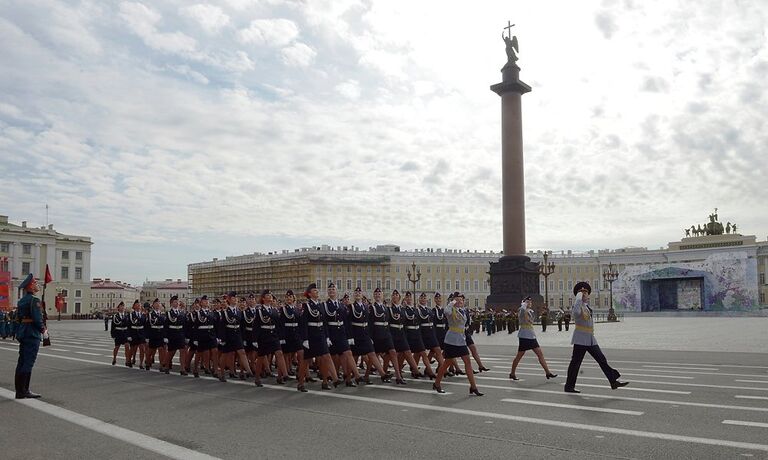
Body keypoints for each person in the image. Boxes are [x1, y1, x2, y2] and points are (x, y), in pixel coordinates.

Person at [564, 282, 628, 393]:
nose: (584, 294)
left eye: (586, 292)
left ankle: (613, 381)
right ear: (578, 295)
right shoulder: (577, 305)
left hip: (590, 338)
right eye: (581, 292)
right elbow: (575, 314)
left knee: (601, 359)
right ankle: (569, 386)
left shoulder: (586, 306)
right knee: (575, 363)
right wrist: (578, 299)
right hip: (580, 339)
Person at [432, 292, 483, 396]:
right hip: (451, 341)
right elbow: (446, 311)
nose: (460, 301)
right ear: (454, 301)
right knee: (446, 364)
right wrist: (452, 302)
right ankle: (437, 383)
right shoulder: (451, 310)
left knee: (467, 362)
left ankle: (473, 387)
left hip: (461, 340)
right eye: (457, 300)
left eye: (461, 300)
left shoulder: (463, 311)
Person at [298, 283, 339, 392]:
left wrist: (327, 337)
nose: (317, 292)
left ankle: (331, 380)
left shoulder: (320, 305)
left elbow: (324, 322)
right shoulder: (306, 306)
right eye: (315, 291)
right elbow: (304, 323)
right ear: (310, 294)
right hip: (311, 337)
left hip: (320, 334)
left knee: (326, 357)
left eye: (317, 290)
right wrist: (305, 339)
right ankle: (301, 383)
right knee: (305, 361)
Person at [509, 296, 557, 381]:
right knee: (519, 356)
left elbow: (531, 320)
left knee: (540, 354)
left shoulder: (531, 311)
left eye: (530, 302)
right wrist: (523, 306)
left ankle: (548, 372)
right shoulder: (521, 310)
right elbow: (522, 316)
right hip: (524, 336)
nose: (530, 303)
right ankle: (512, 373)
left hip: (531, 335)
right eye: (528, 302)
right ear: (524, 303)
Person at [347, 287, 389, 383]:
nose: (358, 293)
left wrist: (370, 336)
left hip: (365, 334)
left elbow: (369, 322)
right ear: (354, 295)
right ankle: (348, 379)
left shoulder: (366, 306)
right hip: (356, 334)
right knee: (354, 357)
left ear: (362, 295)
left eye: (359, 292)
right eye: (356, 292)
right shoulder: (351, 307)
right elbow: (348, 323)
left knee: (372, 353)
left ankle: (383, 374)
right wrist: (350, 337)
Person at [14, 273, 44, 399]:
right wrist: (43, 329)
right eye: (35, 283)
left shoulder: (22, 301)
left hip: (23, 332)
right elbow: (37, 319)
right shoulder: (34, 300)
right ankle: (24, 390)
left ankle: (19, 391)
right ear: (31, 286)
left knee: (21, 361)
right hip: (32, 333)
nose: (37, 285)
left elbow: (18, 318)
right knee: (28, 362)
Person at [324, 283, 361, 386]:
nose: (331, 290)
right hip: (331, 334)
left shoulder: (341, 305)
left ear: (337, 291)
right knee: (332, 358)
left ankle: (355, 377)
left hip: (341, 334)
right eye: (330, 289)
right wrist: (326, 337)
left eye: (333, 289)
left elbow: (347, 322)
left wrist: (350, 337)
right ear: (328, 292)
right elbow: (325, 323)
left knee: (347, 354)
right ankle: (326, 380)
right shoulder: (325, 305)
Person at [216, 291, 255, 383]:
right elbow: (222, 327)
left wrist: (243, 337)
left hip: (237, 334)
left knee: (242, 352)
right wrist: (222, 339)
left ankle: (249, 371)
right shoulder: (225, 312)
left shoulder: (239, 311)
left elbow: (241, 326)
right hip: (228, 335)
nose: (235, 300)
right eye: (233, 298)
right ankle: (221, 373)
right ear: (229, 300)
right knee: (225, 355)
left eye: (236, 298)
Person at [369, 287, 404, 384]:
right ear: (374, 296)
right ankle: (367, 375)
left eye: (379, 294)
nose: (377, 295)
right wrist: (370, 337)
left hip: (386, 334)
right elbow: (370, 323)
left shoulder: (385, 308)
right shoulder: (372, 307)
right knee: (374, 355)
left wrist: (389, 334)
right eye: (376, 294)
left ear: (382, 295)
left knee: (393, 352)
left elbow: (388, 321)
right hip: (377, 334)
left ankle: (398, 376)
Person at [255, 290, 288, 385]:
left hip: (273, 335)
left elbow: (278, 325)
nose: (270, 297)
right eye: (267, 295)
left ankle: (284, 375)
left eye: (270, 295)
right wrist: (255, 340)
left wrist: (281, 337)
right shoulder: (260, 310)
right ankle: (257, 378)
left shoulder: (274, 310)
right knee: (261, 357)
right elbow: (256, 326)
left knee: (279, 353)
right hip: (263, 336)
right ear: (263, 298)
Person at [388, 291, 422, 379]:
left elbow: (405, 323)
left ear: (399, 297)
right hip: (393, 334)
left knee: (407, 352)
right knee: (393, 355)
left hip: (402, 334)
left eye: (396, 295)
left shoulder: (402, 309)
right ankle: (387, 373)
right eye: (393, 295)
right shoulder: (389, 309)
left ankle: (415, 371)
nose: (395, 296)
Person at [403, 293, 436, 379]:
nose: (409, 298)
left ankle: (430, 371)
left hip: (417, 334)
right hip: (409, 334)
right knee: (403, 354)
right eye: (407, 297)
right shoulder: (404, 310)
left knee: (422, 353)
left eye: (410, 297)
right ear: (404, 299)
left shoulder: (415, 309)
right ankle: (400, 371)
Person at [278, 290, 303, 378]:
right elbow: (280, 324)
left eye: (290, 297)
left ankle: (300, 371)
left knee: (301, 353)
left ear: (293, 299)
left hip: (296, 334)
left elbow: (300, 323)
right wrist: (281, 337)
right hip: (287, 334)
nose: (289, 298)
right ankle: (286, 371)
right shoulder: (283, 309)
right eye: (287, 297)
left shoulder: (296, 309)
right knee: (286, 354)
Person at [191, 295, 217, 378]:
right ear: (201, 303)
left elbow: (215, 325)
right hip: (202, 336)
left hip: (211, 335)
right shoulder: (198, 313)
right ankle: (195, 369)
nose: (206, 302)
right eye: (204, 301)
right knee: (199, 353)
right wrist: (195, 339)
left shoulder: (211, 312)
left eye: (207, 301)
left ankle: (215, 370)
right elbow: (195, 327)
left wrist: (217, 336)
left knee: (215, 351)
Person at [163, 295, 188, 375]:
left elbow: (185, 325)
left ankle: (182, 369)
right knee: (171, 352)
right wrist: (166, 337)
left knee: (182, 351)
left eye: (177, 302)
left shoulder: (182, 313)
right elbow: (166, 326)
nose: (176, 303)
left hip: (180, 334)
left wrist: (186, 336)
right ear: (171, 303)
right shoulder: (168, 314)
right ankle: (166, 366)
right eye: (175, 302)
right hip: (172, 334)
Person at [145, 299, 166, 372]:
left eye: (159, 303)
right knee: (151, 350)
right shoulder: (150, 314)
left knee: (161, 350)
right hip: (153, 334)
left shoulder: (163, 314)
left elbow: (165, 326)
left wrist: (165, 336)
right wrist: (147, 337)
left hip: (161, 334)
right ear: (153, 305)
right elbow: (147, 326)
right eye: (156, 303)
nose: (158, 305)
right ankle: (147, 363)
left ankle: (161, 365)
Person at [126, 300, 147, 368]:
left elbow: (145, 326)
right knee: (132, 349)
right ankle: (128, 361)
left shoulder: (143, 315)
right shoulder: (131, 315)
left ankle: (141, 363)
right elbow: (128, 326)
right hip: (133, 333)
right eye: (137, 305)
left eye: (140, 305)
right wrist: (129, 335)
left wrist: (145, 335)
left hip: (141, 334)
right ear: (134, 306)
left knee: (142, 349)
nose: (139, 306)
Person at [110, 301, 129, 365]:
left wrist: (129, 334)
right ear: (118, 308)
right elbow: (113, 326)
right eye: (121, 306)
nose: (122, 308)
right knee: (117, 347)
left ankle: (127, 360)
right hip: (118, 333)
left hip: (125, 333)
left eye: (123, 306)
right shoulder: (115, 316)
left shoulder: (127, 315)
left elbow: (128, 326)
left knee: (127, 346)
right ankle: (114, 358)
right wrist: (113, 334)